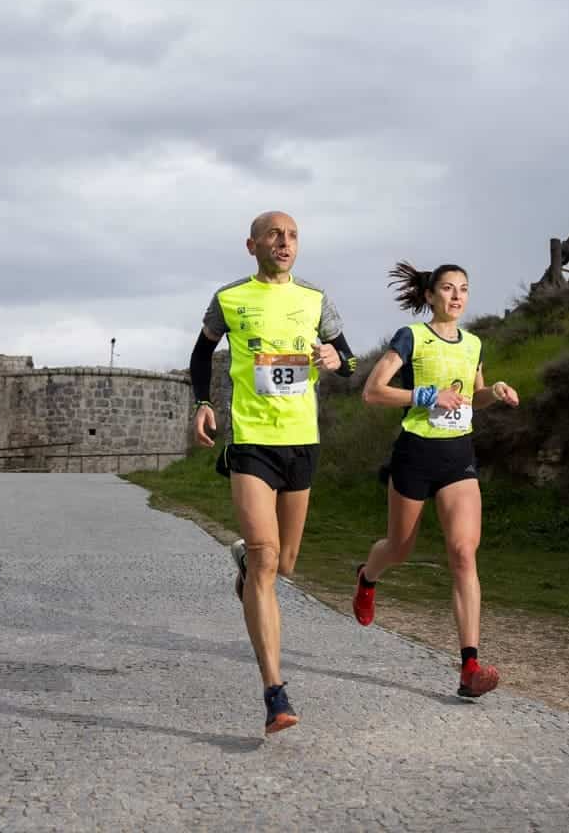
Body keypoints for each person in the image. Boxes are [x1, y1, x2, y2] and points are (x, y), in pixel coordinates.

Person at [190, 210, 358, 734]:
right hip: (251, 440)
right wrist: (202, 403)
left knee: (284, 564)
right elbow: (201, 353)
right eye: (274, 235)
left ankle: (245, 561)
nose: (284, 243)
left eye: (292, 236)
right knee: (267, 558)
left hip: (301, 440)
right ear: (252, 245)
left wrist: (336, 360)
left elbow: (350, 360)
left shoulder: (315, 299)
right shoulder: (230, 298)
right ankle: (274, 692)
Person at [350, 262, 520, 698]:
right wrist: (427, 395)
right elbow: (373, 391)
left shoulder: (474, 343)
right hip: (415, 454)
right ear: (430, 295)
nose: (457, 296)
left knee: (463, 553)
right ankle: (368, 577)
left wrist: (494, 392)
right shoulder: (412, 337)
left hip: (458, 457)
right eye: (447, 288)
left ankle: (470, 668)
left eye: (463, 288)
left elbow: (473, 398)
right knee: (399, 548)